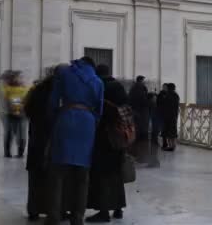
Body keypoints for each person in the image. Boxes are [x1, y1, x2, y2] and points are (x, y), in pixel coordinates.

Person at [45, 57, 103, 225]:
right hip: (87, 123)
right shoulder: (97, 80)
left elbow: (53, 101)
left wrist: (55, 119)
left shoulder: (64, 73)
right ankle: (77, 217)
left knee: (57, 173)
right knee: (82, 175)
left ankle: (53, 216)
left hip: (65, 119)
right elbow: (99, 109)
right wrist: (91, 122)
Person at [86, 65, 130, 223]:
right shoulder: (118, 86)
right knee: (116, 173)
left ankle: (103, 211)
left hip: (105, 136)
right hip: (119, 136)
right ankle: (118, 208)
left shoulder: (100, 85)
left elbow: (97, 110)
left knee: (102, 174)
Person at [23, 66, 61, 221]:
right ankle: (54, 209)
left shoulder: (36, 89)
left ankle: (34, 209)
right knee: (53, 176)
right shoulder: (59, 92)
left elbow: (27, 110)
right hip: (52, 138)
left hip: (36, 137)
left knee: (35, 175)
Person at [1, 71, 29, 158]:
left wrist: (23, 107)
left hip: (22, 114)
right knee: (9, 134)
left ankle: (20, 152)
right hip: (10, 114)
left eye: (20, 77)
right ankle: (7, 152)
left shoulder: (26, 89)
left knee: (22, 135)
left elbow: (27, 100)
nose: (18, 79)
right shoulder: (6, 88)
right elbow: (4, 100)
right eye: (16, 77)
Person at [129, 75, 149, 141]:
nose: (144, 82)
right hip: (141, 109)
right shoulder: (142, 87)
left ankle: (135, 137)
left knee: (136, 123)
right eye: (143, 80)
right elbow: (144, 98)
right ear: (141, 80)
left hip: (134, 108)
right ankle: (141, 138)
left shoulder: (132, 88)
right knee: (142, 123)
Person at [160, 83, 180, 151]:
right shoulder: (176, 95)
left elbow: (164, 105)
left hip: (168, 116)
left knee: (168, 132)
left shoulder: (168, 95)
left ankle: (171, 146)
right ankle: (173, 146)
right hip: (174, 116)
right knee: (173, 131)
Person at [156, 83, 168, 149]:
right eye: (164, 87)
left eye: (165, 87)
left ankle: (165, 142)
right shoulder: (161, 95)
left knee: (164, 129)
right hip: (161, 113)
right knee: (161, 128)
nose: (164, 88)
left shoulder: (167, 95)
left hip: (165, 114)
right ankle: (163, 142)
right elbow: (158, 103)